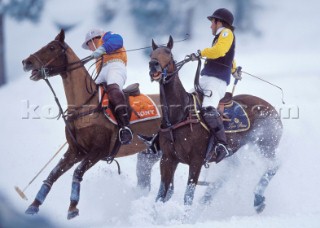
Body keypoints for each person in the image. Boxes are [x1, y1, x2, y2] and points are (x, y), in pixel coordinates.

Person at [191, 8, 242, 163]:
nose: (210, 26)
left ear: (219, 22)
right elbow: (228, 56)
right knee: (183, 103)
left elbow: (219, 51)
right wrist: (234, 70)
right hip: (206, 79)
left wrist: (201, 53)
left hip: (216, 81)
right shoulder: (220, 37)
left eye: (212, 22)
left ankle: (222, 145)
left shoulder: (226, 32)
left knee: (208, 111)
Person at [82, 28, 133, 145]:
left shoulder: (106, 36)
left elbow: (118, 40)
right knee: (90, 93)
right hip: (102, 72)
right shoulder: (97, 57)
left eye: (88, 44)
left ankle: (125, 127)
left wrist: (102, 48)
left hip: (116, 65)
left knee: (113, 88)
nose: (89, 48)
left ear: (94, 38)